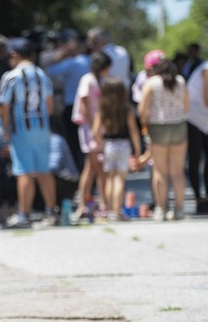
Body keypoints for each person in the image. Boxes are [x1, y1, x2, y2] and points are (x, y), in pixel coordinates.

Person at [0, 37, 58, 228]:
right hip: (42, 128)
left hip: (21, 129)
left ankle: (24, 214)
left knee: (23, 171)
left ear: (14, 54)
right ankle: (51, 211)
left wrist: (5, 130)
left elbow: (3, 107)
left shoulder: (11, 77)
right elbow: (50, 107)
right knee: (43, 170)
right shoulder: (42, 75)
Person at [139, 50, 190, 221]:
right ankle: (180, 209)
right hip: (179, 127)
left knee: (159, 170)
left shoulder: (151, 83)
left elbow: (142, 110)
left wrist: (145, 126)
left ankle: (161, 209)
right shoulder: (181, 81)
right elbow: (187, 106)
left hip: (158, 127)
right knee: (178, 171)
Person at [92, 77, 141, 221]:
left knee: (110, 178)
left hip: (109, 145)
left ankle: (109, 210)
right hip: (123, 145)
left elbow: (95, 132)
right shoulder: (126, 109)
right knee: (120, 179)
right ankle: (117, 211)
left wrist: (102, 144)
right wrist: (137, 150)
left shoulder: (103, 109)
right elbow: (133, 131)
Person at [71, 51, 111, 221]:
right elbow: (85, 106)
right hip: (89, 129)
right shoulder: (88, 80)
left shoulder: (101, 81)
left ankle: (94, 204)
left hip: (100, 128)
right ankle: (95, 204)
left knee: (94, 167)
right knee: (96, 167)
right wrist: (93, 129)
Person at [46, 31, 91, 171]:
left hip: (73, 108)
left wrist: (61, 55)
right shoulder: (92, 61)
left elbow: (48, 70)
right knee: (90, 142)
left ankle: (79, 172)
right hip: (92, 107)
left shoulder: (71, 63)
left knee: (74, 143)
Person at [186, 58, 208, 214]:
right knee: (195, 158)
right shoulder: (207, 68)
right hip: (193, 117)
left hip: (205, 118)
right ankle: (199, 199)